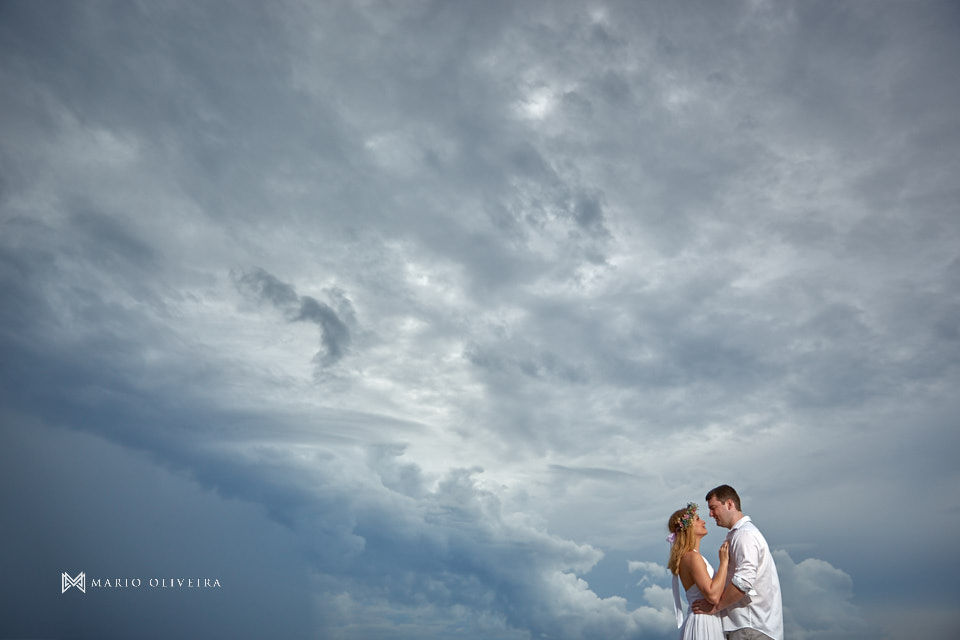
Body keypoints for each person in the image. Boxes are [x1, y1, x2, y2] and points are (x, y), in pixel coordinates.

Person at [691, 485, 783, 640]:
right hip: (747, 626)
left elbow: (744, 582)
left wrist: (716, 607)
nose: (711, 514)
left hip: (750, 626)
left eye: (713, 508)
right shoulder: (738, 534)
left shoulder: (744, 535)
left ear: (729, 504)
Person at [666, 502, 730, 639]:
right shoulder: (692, 557)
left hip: (704, 619)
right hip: (704, 622)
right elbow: (713, 595)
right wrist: (724, 563)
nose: (703, 521)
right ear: (688, 527)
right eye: (697, 519)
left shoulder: (690, 557)